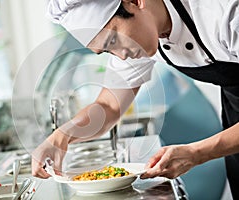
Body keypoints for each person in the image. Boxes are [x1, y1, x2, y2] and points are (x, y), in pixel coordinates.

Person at [32, 0, 239, 198]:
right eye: (107, 50)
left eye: (113, 40)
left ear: (136, 1)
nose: (120, 56)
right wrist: (60, 137)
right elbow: (108, 105)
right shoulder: (139, 35)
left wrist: (197, 153)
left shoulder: (224, 12)